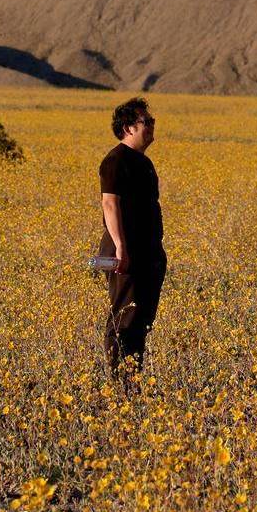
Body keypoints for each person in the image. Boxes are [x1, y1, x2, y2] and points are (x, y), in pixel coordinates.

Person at [98, 97, 163, 375]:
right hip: (126, 251)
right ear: (128, 128)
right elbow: (109, 203)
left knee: (141, 319)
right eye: (145, 122)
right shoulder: (116, 160)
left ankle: (132, 377)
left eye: (152, 122)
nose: (150, 127)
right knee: (125, 317)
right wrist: (121, 249)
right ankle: (120, 380)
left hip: (147, 251)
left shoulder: (143, 162)